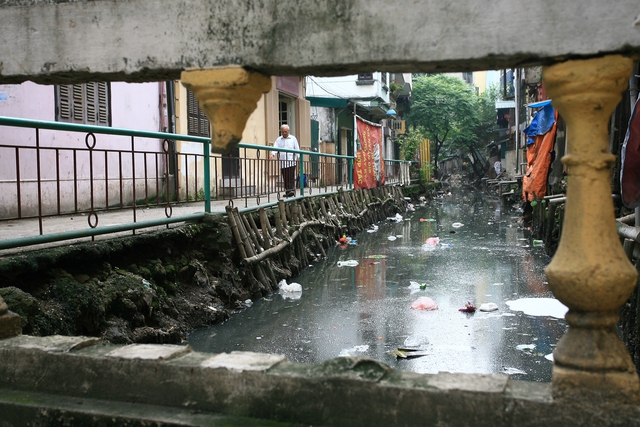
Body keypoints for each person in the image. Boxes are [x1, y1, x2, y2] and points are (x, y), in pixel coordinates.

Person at [271, 124, 300, 197]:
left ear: (288, 131)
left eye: (285, 132)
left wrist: (298, 157)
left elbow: (297, 149)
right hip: (283, 162)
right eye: (282, 132)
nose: (284, 133)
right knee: (285, 177)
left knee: (290, 176)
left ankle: (291, 190)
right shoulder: (279, 139)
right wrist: (272, 154)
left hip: (291, 161)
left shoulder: (293, 139)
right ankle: (287, 191)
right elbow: (275, 147)